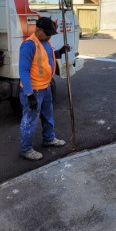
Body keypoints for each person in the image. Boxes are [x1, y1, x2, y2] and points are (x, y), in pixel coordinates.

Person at [18, 16, 71, 160]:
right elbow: (23, 70)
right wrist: (29, 95)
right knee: (30, 119)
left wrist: (60, 52)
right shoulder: (29, 45)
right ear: (38, 30)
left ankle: (49, 138)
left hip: (46, 87)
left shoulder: (45, 42)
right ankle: (26, 149)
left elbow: (48, 57)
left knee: (48, 115)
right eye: (47, 33)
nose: (49, 36)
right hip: (33, 90)